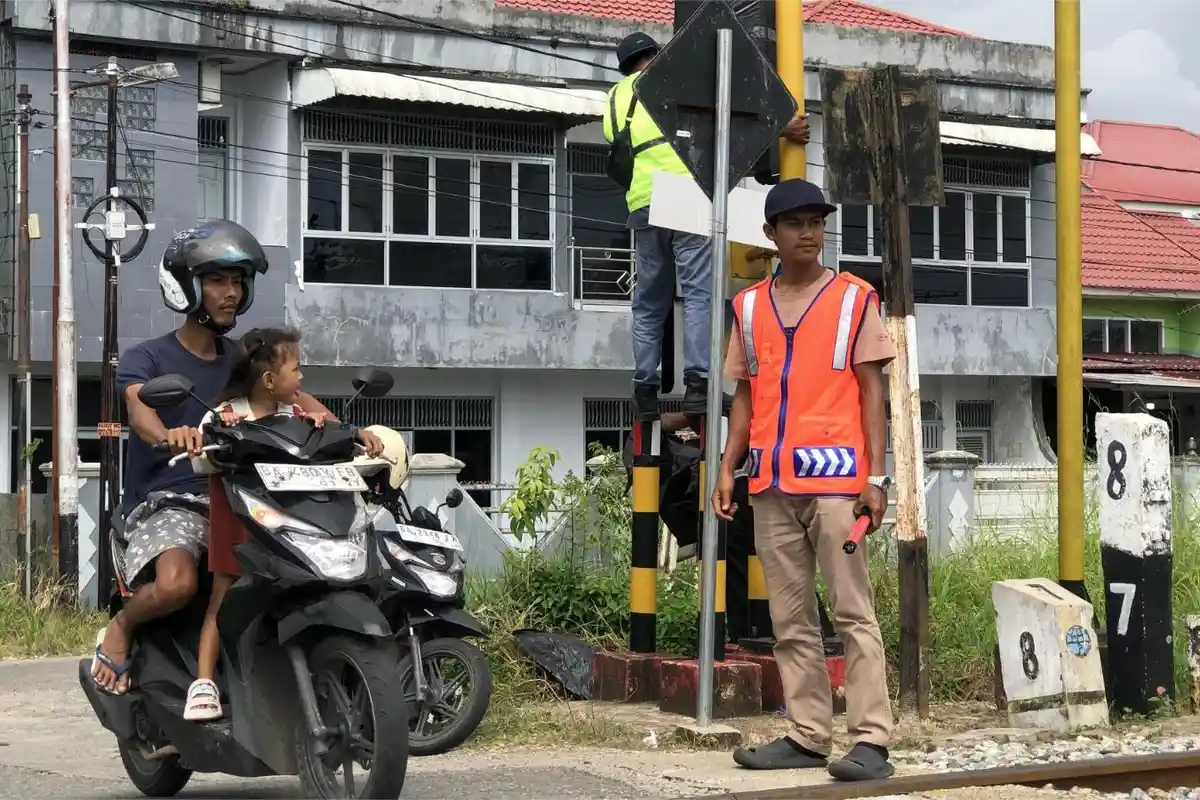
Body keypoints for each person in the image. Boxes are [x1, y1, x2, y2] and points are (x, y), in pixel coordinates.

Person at [91, 220, 383, 695]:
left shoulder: (244, 359)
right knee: (179, 584)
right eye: (217, 281)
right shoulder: (148, 357)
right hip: (172, 498)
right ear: (187, 286)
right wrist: (170, 434)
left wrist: (351, 433)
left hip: (243, 494)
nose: (231, 292)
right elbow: (139, 406)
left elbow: (298, 400)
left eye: (237, 281)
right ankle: (123, 627)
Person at [712, 178, 896, 781]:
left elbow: (874, 392)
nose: (809, 232)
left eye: (816, 221)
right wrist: (726, 466)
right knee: (790, 621)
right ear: (770, 235)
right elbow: (744, 394)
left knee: (852, 614)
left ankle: (871, 741)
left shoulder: (854, 298)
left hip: (840, 483)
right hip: (769, 485)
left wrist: (877, 475)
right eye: (794, 223)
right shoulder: (747, 307)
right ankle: (808, 734)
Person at [185, 327, 316, 720]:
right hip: (237, 525)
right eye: (296, 369)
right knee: (221, 601)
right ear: (270, 379)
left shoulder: (297, 417)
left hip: (286, 527)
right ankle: (203, 683)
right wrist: (206, 440)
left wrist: (354, 436)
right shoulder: (225, 416)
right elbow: (202, 456)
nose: (302, 378)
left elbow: (328, 440)